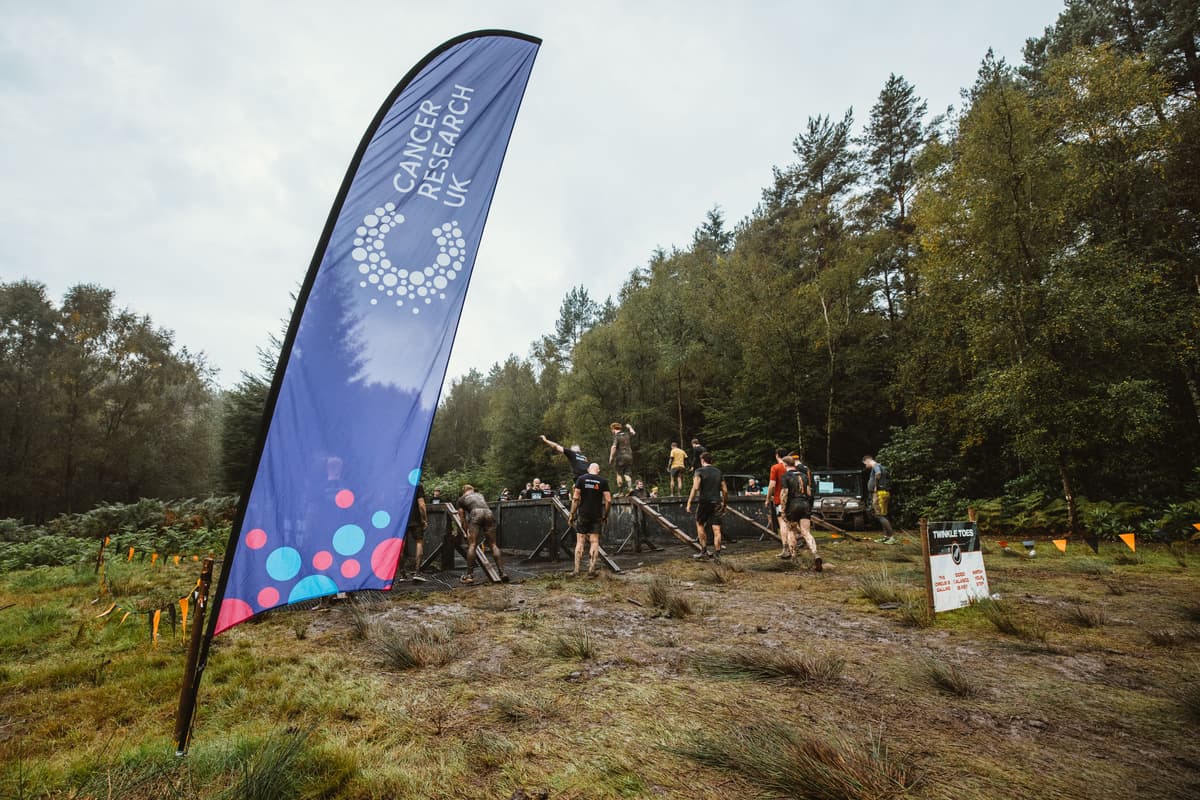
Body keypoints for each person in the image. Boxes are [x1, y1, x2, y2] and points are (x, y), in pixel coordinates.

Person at [455, 484, 507, 584]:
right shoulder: (479, 495)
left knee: (472, 545)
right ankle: (502, 573)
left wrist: (465, 530)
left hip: (476, 513)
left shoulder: (461, 499)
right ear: (472, 490)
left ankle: (469, 575)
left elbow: (462, 518)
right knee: (493, 544)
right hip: (488, 513)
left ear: (463, 491)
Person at [568, 463, 611, 577]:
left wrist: (572, 514)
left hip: (583, 514)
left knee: (580, 542)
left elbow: (576, 498)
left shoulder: (581, 479)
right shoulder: (603, 481)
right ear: (599, 470)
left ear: (588, 469)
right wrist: (605, 516)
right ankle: (591, 570)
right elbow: (609, 500)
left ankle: (576, 570)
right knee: (594, 542)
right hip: (596, 515)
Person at [780, 456, 822, 571]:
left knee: (791, 531)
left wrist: (783, 509)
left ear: (785, 464)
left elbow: (784, 493)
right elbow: (809, 492)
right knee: (806, 532)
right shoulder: (803, 475)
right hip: (805, 504)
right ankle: (815, 554)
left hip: (793, 505)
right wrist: (809, 505)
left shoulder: (785, 476)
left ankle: (794, 558)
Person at [686, 451, 727, 560]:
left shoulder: (699, 471)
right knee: (717, 529)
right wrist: (725, 504)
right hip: (716, 502)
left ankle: (703, 550)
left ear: (702, 460)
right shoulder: (718, 472)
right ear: (711, 461)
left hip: (704, 502)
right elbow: (725, 490)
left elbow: (695, 488)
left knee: (699, 524)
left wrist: (689, 502)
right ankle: (717, 554)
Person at [863, 455, 897, 543]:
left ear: (867, 461)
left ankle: (892, 537)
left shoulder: (875, 465)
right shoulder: (883, 467)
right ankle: (886, 536)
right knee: (883, 515)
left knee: (879, 515)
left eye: (865, 464)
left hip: (879, 494)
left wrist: (875, 486)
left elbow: (878, 474)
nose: (866, 466)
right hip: (884, 493)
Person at [399, 482, 429, 582]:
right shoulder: (417, 485)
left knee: (400, 546)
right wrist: (424, 519)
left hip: (401, 520)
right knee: (419, 542)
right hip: (415, 519)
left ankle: (402, 574)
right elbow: (421, 504)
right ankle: (417, 572)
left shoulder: (398, 484)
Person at [765, 448, 790, 557]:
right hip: (793, 500)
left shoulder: (776, 467)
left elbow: (772, 485)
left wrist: (767, 498)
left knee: (783, 524)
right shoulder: (792, 468)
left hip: (780, 500)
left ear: (777, 455)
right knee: (792, 524)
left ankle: (786, 548)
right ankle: (795, 547)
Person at [609, 422, 636, 494]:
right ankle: (630, 488)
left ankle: (620, 492)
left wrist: (611, 457)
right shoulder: (626, 434)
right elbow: (633, 433)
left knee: (619, 474)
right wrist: (629, 427)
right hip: (629, 456)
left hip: (620, 457)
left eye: (611, 430)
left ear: (613, 429)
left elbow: (614, 447)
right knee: (627, 474)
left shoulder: (616, 436)